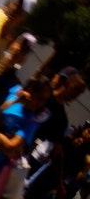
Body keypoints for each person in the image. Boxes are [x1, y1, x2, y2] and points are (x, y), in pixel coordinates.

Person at [24, 67, 87, 198]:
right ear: (66, 82)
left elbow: (58, 151)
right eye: (76, 89)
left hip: (24, 154)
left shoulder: (62, 119)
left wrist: (60, 184)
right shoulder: (44, 95)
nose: (77, 95)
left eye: (80, 93)